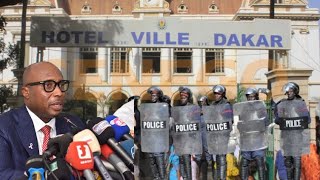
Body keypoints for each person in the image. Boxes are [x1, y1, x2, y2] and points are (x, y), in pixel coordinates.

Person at [0, 62, 85, 180]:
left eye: (61, 85)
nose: (59, 93)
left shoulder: (74, 124)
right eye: (48, 85)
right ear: (26, 92)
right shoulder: (4, 126)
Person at [274, 82, 311, 180]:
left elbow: (307, 119)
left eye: (290, 91)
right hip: (286, 137)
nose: (288, 93)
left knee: (297, 161)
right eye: (287, 91)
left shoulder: (300, 103)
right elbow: (277, 120)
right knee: (288, 162)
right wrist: (279, 116)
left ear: (295, 92)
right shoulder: (282, 104)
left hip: (297, 137)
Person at [240, 87, 267, 180]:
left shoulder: (261, 107)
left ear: (256, 97)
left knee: (260, 163)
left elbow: (265, 122)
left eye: (253, 97)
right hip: (246, 140)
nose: (251, 99)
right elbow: (240, 122)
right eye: (249, 97)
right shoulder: (243, 108)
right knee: (244, 163)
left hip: (258, 140)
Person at [211, 84, 232, 180]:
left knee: (222, 157)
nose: (216, 95)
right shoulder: (212, 105)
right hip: (214, 134)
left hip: (223, 134)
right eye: (215, 93)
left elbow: (229, 120)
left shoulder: (226, 104)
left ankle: (222, 178)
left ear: (222, 94)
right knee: (216, 159)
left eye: (218, 93)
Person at [194, 95, 211, 180]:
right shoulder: (196, 111)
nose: (201, 103)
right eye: (200, 102)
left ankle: (209, 162)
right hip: (198, 134)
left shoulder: (209, 110)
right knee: (198, 154)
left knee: (207, 149)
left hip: (207, 133)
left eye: (203, 102)